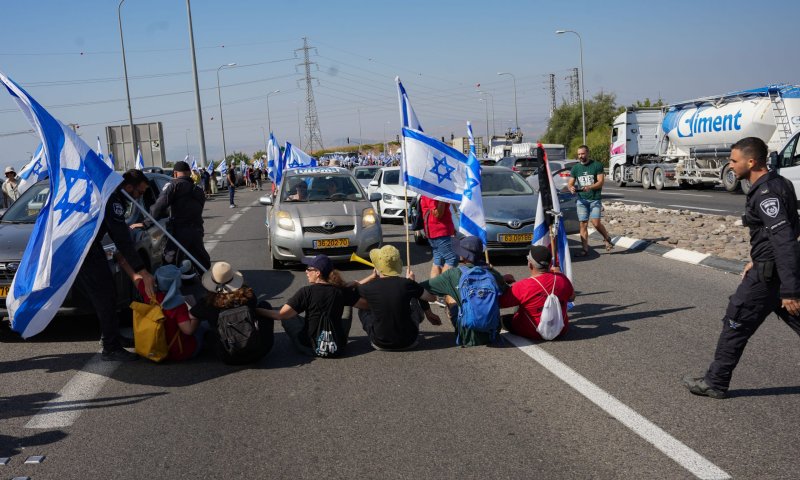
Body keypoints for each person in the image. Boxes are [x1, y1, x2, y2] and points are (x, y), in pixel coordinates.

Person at [683, 137, 800, 399]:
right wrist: (758, 259)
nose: (730, 165)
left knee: (735, 323)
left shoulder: (767, 193)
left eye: (734, 161)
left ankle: (715, 382)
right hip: (775, 270)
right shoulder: (780, 184)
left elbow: (783, 239)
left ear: (752, 161)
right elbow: (791, 229)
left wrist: (790, 290)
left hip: (770, 278)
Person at [75, 169, 156, 361]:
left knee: (110, 293)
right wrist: (142, 271)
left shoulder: (108, 194)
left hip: (88, 246)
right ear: (128, 187)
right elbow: (122, 239)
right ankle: (111, 347)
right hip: (84, 249)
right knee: (104, 296)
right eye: (140, 192)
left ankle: (113, 336)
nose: (140, 196)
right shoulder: (113, 201)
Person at [418, 236, 512, 346]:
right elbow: (505, 292)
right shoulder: (492, 273)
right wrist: (500, 278)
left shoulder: (452, 274)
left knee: (449, 294)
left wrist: (429, 313)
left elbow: (419, 289)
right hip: (492, 333)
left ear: (463, 255)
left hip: (466, 336)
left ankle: (455, 315)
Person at [262, 254, 358, 357]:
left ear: (318, 273)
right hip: (338, 345)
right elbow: (365, 305)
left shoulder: (306, 292)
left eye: (309, 269)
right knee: (348, 304)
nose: (306, 271)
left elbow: (280, 315)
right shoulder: (340, 291)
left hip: (309, 346)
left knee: (287, 316)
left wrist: (257, 310)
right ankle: (338, 336)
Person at [355, 245, 441, 351]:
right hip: (409, 341)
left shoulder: (367, 287)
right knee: (414, 297)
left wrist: (371, 278)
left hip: (379, 342)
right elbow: (432, 298)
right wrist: (413, 283)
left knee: (362, 307)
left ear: (378, 267)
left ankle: (379, 327)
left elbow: (350, 292)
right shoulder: (407, 284)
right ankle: (423, 317)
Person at [189, 261, 274, 364]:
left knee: (205, 328)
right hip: (258, 351)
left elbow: (190, 325)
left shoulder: (207, 303)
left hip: (228, 356)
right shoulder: (248, 295)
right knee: (265, 305)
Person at [119, 263, 204, 361]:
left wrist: (123, 260)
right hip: (177, 353)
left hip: (154, 350)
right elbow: (188, 330)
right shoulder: (178, 304)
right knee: (202, 328)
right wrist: (197, 314)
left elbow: (134, 276)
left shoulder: (149, 293)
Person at [499, 245, 575, 340]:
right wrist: (560, 274)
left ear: (530, 264)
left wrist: (500, 280)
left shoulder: (522, 286)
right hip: (560, 330)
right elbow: (571, 297)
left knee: (502, 320)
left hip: (532, 331)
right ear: (550, 264)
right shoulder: (562, 279)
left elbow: (500, 303)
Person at [149, 160, 211, 271]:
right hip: (197, 230)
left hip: (179, 232)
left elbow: (159, 206)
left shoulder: (173, 186)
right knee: (202, 262)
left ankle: (171, 285)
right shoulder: (199, 190)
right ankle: (212, 284)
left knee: (169, 263)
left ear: (176, 173)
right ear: (188, 173)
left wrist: (146, 222)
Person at [568, 145, 614, 256]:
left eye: (582, 154)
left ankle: (607, 238)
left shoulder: (596, 165)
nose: (580, 156)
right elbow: (570, 183)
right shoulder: (576, 168)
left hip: (595, 199)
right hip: (581, 200)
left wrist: (590, 187)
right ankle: (585, 249)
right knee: (583, 224)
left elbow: (600, 182)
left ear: (587, 153)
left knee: (596, 223)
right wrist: (571, 187)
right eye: (579, 154)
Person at [420, 195, 458, 281]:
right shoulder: (430, 192)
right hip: (438, 231)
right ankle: (445, 287)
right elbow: (437, 214)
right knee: (452, 258)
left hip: (436, 231)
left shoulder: (431, 190)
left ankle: (434, 289)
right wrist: (442, 198)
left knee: (438, 261)